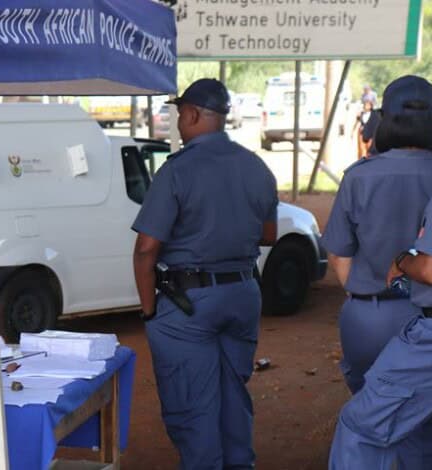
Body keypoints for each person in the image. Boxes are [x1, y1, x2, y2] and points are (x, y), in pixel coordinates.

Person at [132, 78, 278, 469]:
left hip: (189, 303)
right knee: (233, 397)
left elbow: (146, 249)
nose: (179, 122)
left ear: (194, 114)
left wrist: (148, 311)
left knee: (193, 408)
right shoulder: (256, 166)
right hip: (242, 293)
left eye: (180, 114)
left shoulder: (178, 170)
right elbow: (269, 235)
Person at [321, 75, 432, 395]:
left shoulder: (359, 177)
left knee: (370, 408)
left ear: (383, 118)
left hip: (370, 316)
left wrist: (362, 295)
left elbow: (339, 254)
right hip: (430, 318)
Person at [328, 189, 432, 469]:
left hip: (425, 334)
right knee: (423, 430)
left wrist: (403, 260)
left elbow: (431, 270)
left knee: (361, 427)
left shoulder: (358, 178)